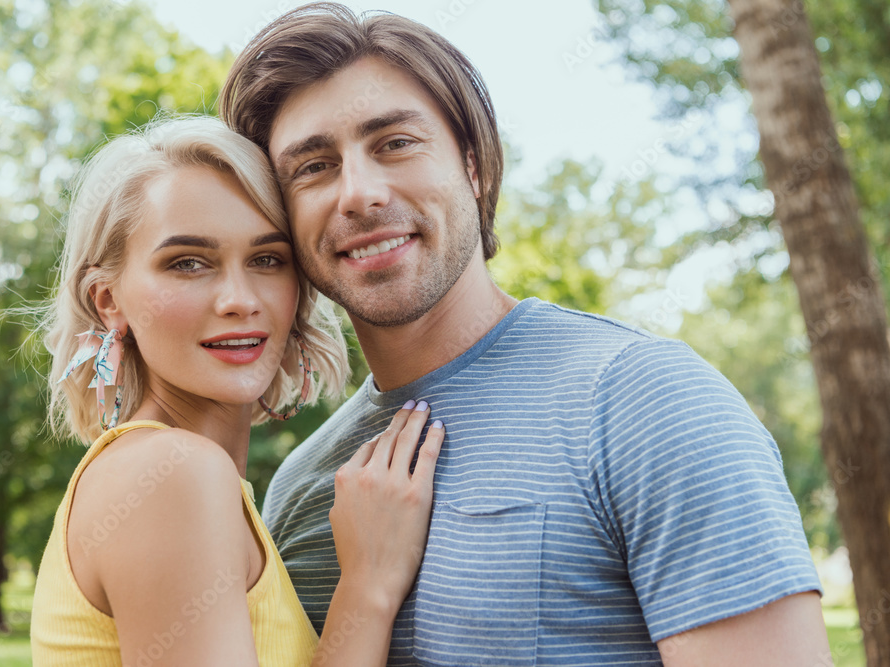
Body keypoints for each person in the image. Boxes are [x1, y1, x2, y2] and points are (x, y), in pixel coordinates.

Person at [219, 3, 832, 664]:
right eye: (312, 166)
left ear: (474, 166)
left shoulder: (646, 402)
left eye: (395, 143)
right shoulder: (299, 488)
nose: (360, 193)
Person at [28, 114, 445, 666]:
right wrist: (368, 586)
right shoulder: (170, 473)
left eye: (267, 259)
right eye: (188, 263)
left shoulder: (194, 477)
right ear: (109, 300)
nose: (239, 299)